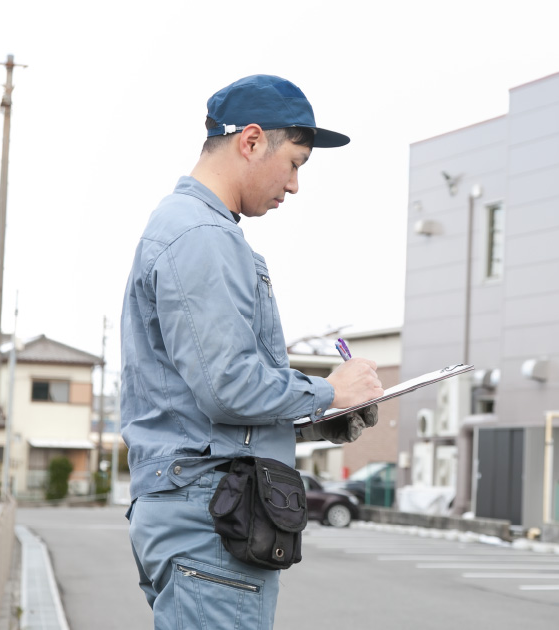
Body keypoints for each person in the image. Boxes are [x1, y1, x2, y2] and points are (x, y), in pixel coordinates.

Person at [120, 74, 384, 630]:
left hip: (198, 507)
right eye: (294, 163)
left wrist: (320, 419)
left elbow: (204, 404)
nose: (294, 185)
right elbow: (229, 387)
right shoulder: (201, 235)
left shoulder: (195, 228)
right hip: (210, 515)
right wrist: (332, 390)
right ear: (251, 141)